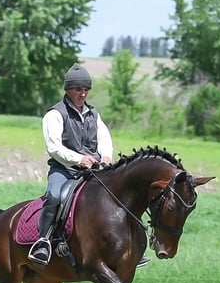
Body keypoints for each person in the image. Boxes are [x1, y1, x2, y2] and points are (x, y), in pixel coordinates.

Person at [28, 63, 149, 269]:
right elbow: (53, 147)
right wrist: (79, 159)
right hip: (65, 170)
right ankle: (44, 242)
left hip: (94, 171)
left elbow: (104, 138)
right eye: (78, 89)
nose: (83, 94)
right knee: (55, 197)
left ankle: (128, 246)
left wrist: (106, 156)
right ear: (67, 90)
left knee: (119, 197)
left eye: (86, 90)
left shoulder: (94, 113)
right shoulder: (55, 114)